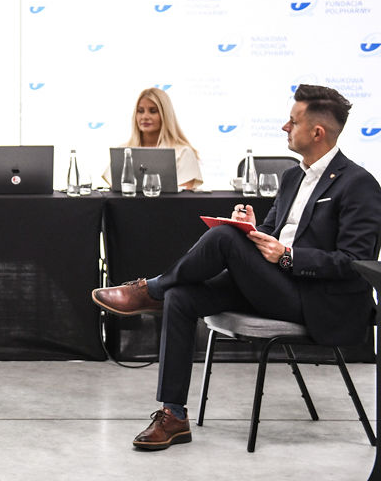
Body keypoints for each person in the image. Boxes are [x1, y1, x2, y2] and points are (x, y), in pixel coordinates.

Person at [91, 84, 381, 451]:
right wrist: (254, 230)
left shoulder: (359, 184)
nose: (285, 127)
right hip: (275, 285)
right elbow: (274, 234)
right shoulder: (293, 176)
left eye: (293, 122)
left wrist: (288, 256)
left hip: (316, 301)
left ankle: (150, 290)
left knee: (223, 239)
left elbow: (354, 263)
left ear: (317, 132)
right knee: (182, 296)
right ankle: (173, 415)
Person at [102, 87, 203, 190]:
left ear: (165, 115)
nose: (145, 116)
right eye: (140, 111)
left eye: (153, 111)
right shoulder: (123, 151)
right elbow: (115, 192)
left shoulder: (183, 153)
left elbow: (184, 195)